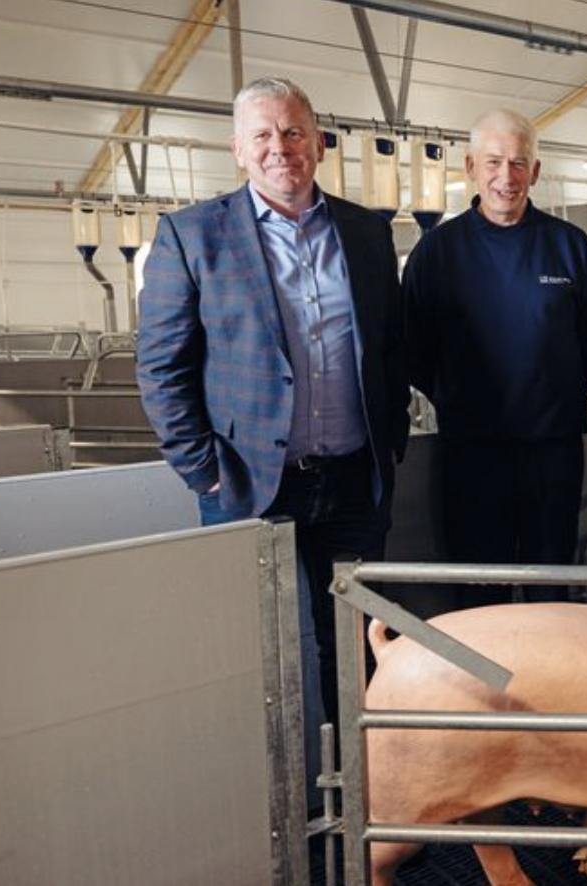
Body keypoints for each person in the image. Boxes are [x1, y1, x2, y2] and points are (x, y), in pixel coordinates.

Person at [137, 76, 409, 729]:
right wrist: (205, 471)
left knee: (356, 651)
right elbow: (160, 367)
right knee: (264, 658)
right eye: (262, 134)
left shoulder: (368, 233)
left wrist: (388, 442)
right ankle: (282, 818)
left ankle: (359, 802)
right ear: (238, 148)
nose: (279, 147)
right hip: (247, 487)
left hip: (351, 485)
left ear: (317, 141)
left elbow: (392, 346)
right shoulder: (191, 236)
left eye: (292, 131)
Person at [403, 108, 587, 608]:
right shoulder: (437, 252)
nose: (506, 176)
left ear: (535, 172)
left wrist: (549, 394)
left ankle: (547, 686)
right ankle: (482, 686)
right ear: (471, 166)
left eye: (519, 163)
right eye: (494, 162)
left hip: (552, 450)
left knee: (550, 580)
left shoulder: (570, 247)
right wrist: (460, 398)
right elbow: (412, 346)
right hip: (471, 452)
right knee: (478, 584)